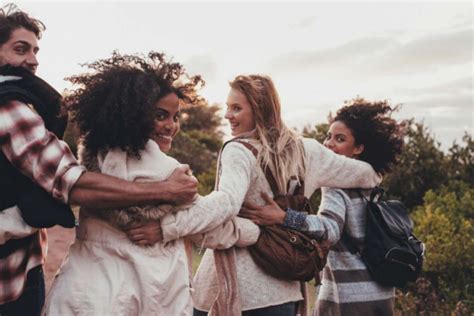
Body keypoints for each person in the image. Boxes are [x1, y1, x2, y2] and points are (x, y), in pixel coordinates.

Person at [0, 5, 197, 315]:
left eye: (36, 50)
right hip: (13, 281)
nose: (34, 60)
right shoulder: (11, 110)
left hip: (74, 283)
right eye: (20, 49)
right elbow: (72, 183)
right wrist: (168, 192)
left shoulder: (95, 150)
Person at [129, 74, 382, 316]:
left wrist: (167, 227)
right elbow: (370, 175)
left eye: (236, 108)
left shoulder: (238, 150)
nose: (228, 115)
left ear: (259, 109)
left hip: (230, 290)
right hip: (284, 289)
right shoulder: (308, 151)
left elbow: (225, 205)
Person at [43, 51, 259, 315]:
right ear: (134, 115)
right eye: (160, 116)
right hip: (144, 295)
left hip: (82, 294)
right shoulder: (164, 172)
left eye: (175, 116)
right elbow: (209, 227)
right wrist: (256, 229)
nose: (171, 126)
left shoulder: (94, 160)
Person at [241, 98, 404, 315]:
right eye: (328, 136)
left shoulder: (336, 188)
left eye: (340, 139)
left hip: (349, 299)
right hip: (381, 294)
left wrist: (284, 217)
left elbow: (330, 230)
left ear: (358, 148)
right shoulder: (373, 188)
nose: (328, 144)